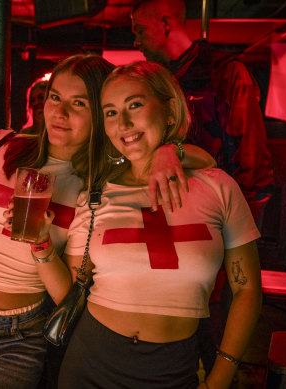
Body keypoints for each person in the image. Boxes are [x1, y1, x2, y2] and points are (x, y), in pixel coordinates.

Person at [0, 53, 214, 388]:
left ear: (102, 114)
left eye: (79, 103)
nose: (60, 113)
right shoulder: (2, 145)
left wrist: (169, 150)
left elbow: (206, 161)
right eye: (55, 97)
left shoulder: (101, 182)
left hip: (16, 335)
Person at [49, 61, 262, 389]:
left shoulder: (218, 187)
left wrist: (222, 374)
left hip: (173, 366)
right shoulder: (96, 194)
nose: (123, 123)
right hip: (91, 360)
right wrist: (39, 248)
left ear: (170, 109)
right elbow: (71, 288)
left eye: (134, 105)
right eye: (110, 112)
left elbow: (247, 289)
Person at [131, 0, 273, 217]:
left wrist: (241, 215)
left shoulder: (223, 73)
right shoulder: (154, 83)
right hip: (173, 207)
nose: (135, 41)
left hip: (219, 206)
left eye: (140, 31)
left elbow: (251, 155)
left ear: (166, 24)